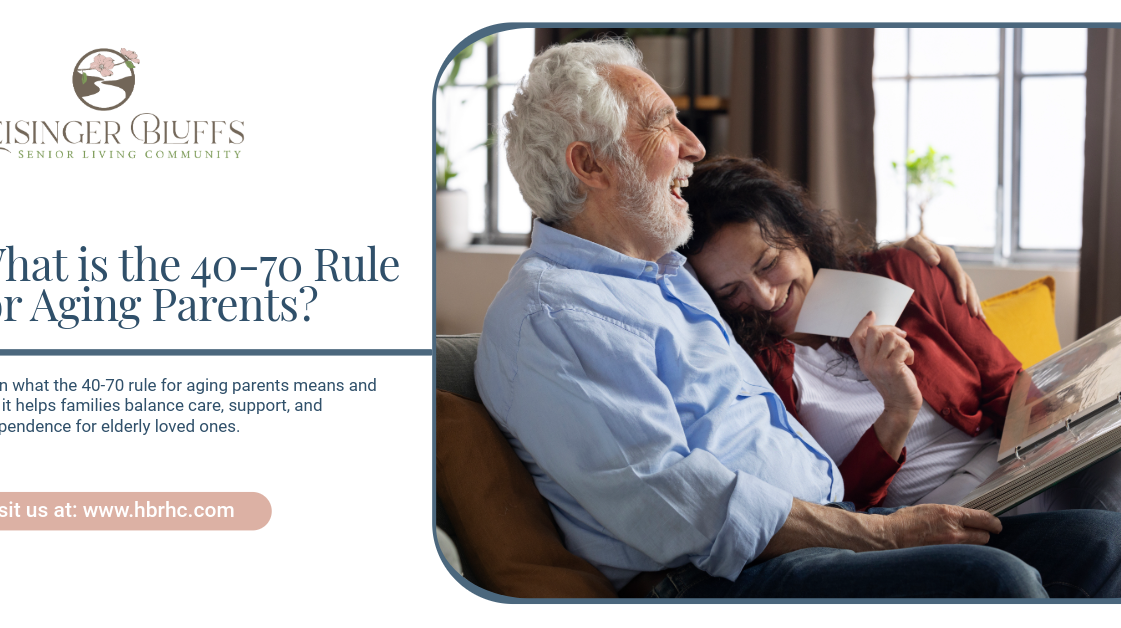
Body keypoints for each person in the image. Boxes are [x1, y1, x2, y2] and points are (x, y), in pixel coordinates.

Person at [473, 38, 1121, 598]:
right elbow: (671, 500)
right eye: (661, 123)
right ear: (589, 164)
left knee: (1100, 540)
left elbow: (810, 268)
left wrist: (909, 257)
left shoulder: (666, 279)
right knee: (995, 584)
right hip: (720, 578)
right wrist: (882, 534)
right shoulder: (552, 314)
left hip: (825, 532)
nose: (692, 145)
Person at [679, 156, 1121, 513]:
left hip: (1012, 465)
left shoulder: (897, 272)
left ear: (799, 234)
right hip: (935, 516)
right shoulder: (752, 367)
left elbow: (1005, 383)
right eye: (731, 291)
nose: (764, 296)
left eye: (768, 263)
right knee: (1100, 535)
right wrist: (896, 411)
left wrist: (1077, 425)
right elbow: (835, 508)